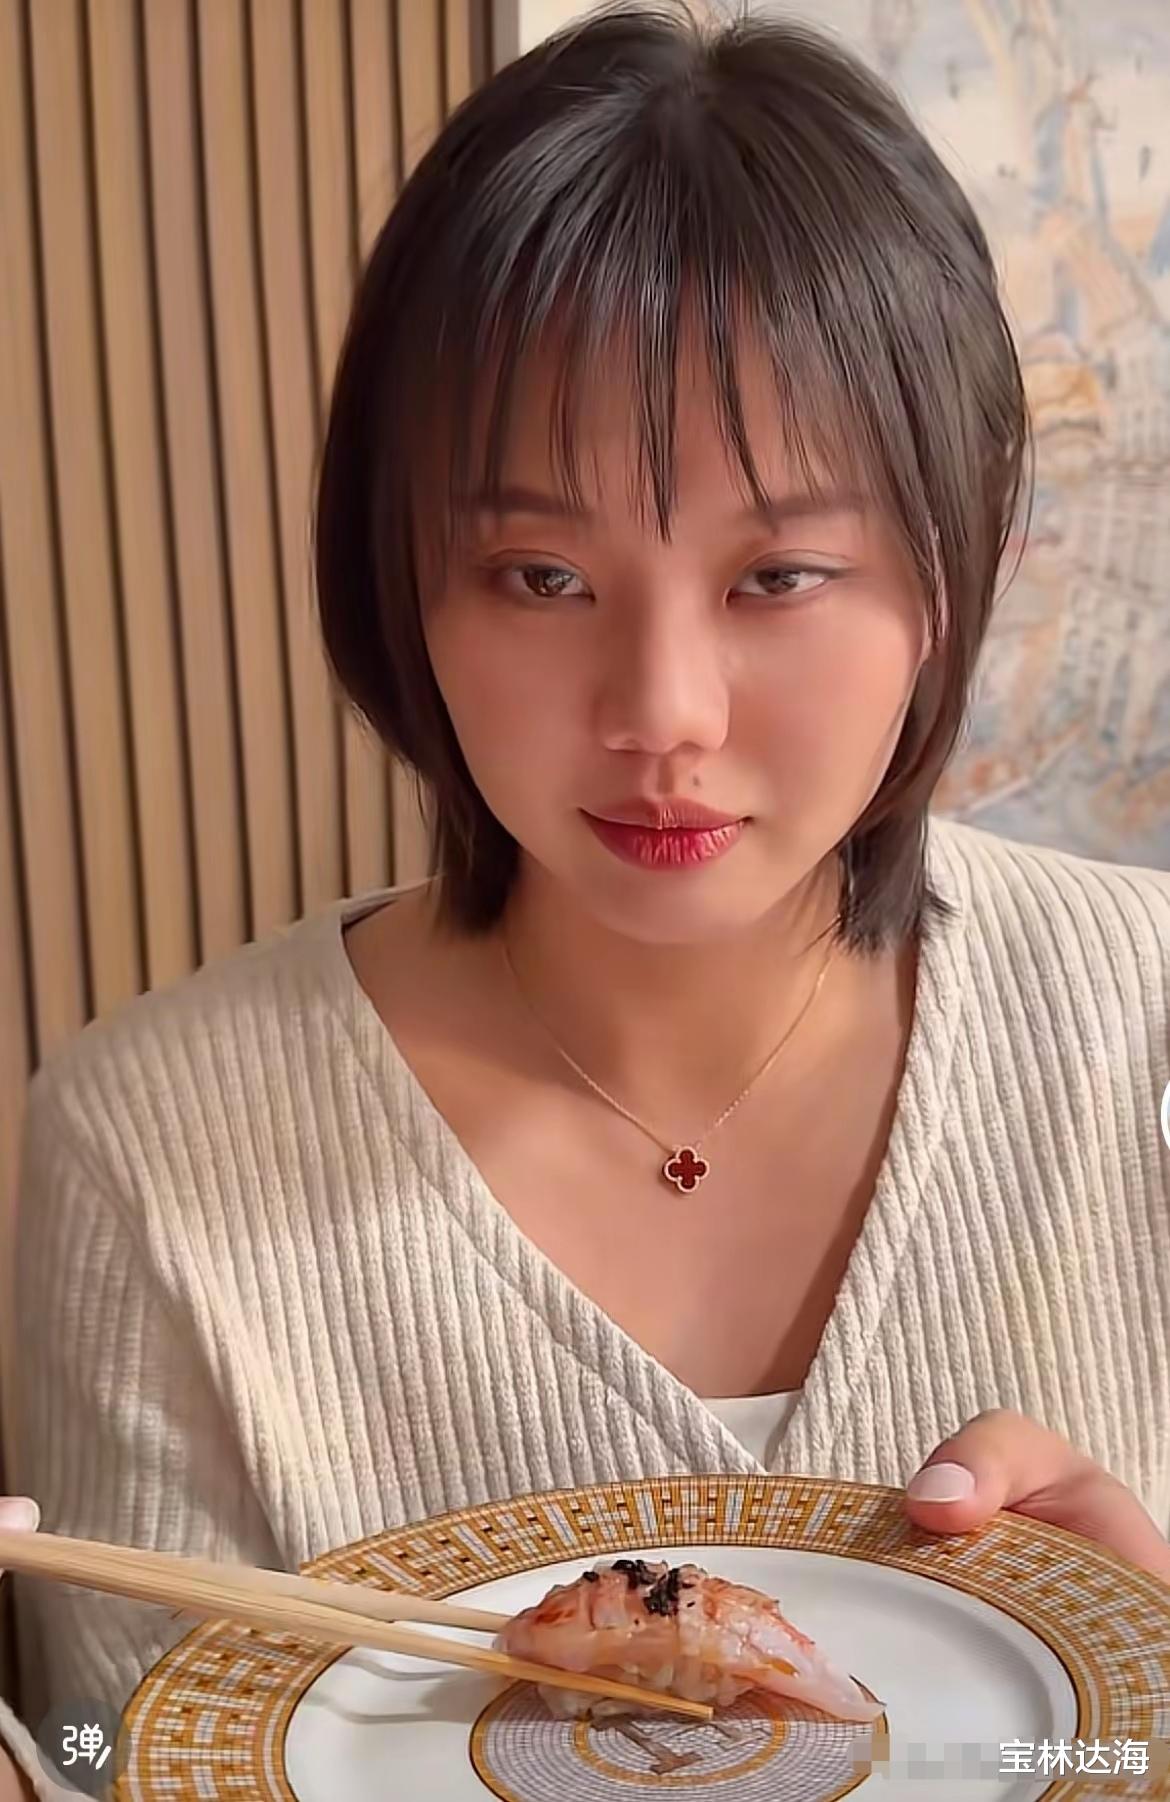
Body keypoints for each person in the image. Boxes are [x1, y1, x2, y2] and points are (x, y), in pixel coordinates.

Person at [3, 6, 1167, 1789]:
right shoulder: (151, 1151)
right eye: (540, 574)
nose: (661, 713)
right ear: (400, 581)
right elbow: (109, 1746)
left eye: (778, 573)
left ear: (955, 566)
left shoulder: (1141, 1026)